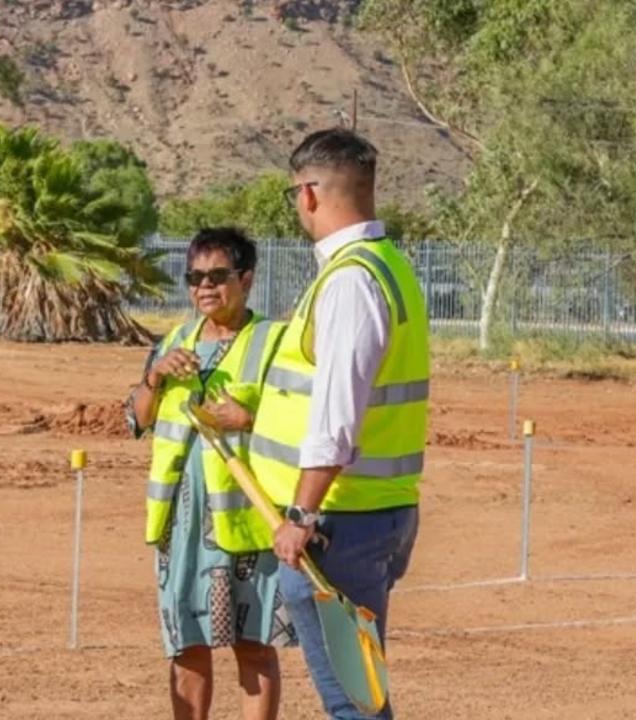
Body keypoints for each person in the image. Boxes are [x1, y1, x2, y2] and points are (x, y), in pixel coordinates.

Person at [249, 128, 429, 720]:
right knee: (359, 687)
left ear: (307, 193)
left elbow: (337, 415)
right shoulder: (389, 266)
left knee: (351, 697)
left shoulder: (351, 279)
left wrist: (301, 515)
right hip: (376, 510)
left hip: (338, 524)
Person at [125, 228, 295, 720]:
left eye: (218, 276)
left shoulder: (274, 342)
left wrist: (250, 419)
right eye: (195, 277)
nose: (205, 287)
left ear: (246, 278)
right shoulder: (173, 342)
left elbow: (306, 423)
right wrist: (156, 377)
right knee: (187, 645)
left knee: (254, 645)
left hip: (248, 524)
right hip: (180, 526)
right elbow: (136, 417)